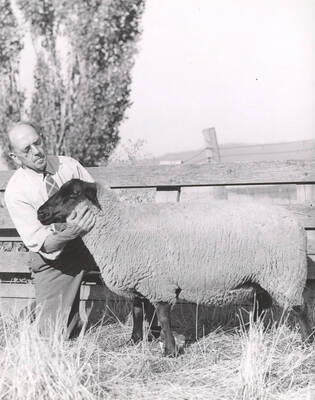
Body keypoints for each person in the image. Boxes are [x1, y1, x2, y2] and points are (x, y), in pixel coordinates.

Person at [4, 120, 97, 338]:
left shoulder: (68, 166)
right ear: (15, 157)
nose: (36, 151)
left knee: (137, 266)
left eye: (37, 143)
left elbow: (98, 199)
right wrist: (72, 230)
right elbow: (44, 242)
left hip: (90, 244)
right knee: (54, 335)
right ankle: (34, 313)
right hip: (56, 258)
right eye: (27, 149)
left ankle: (154, 327)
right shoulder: (17, 191)